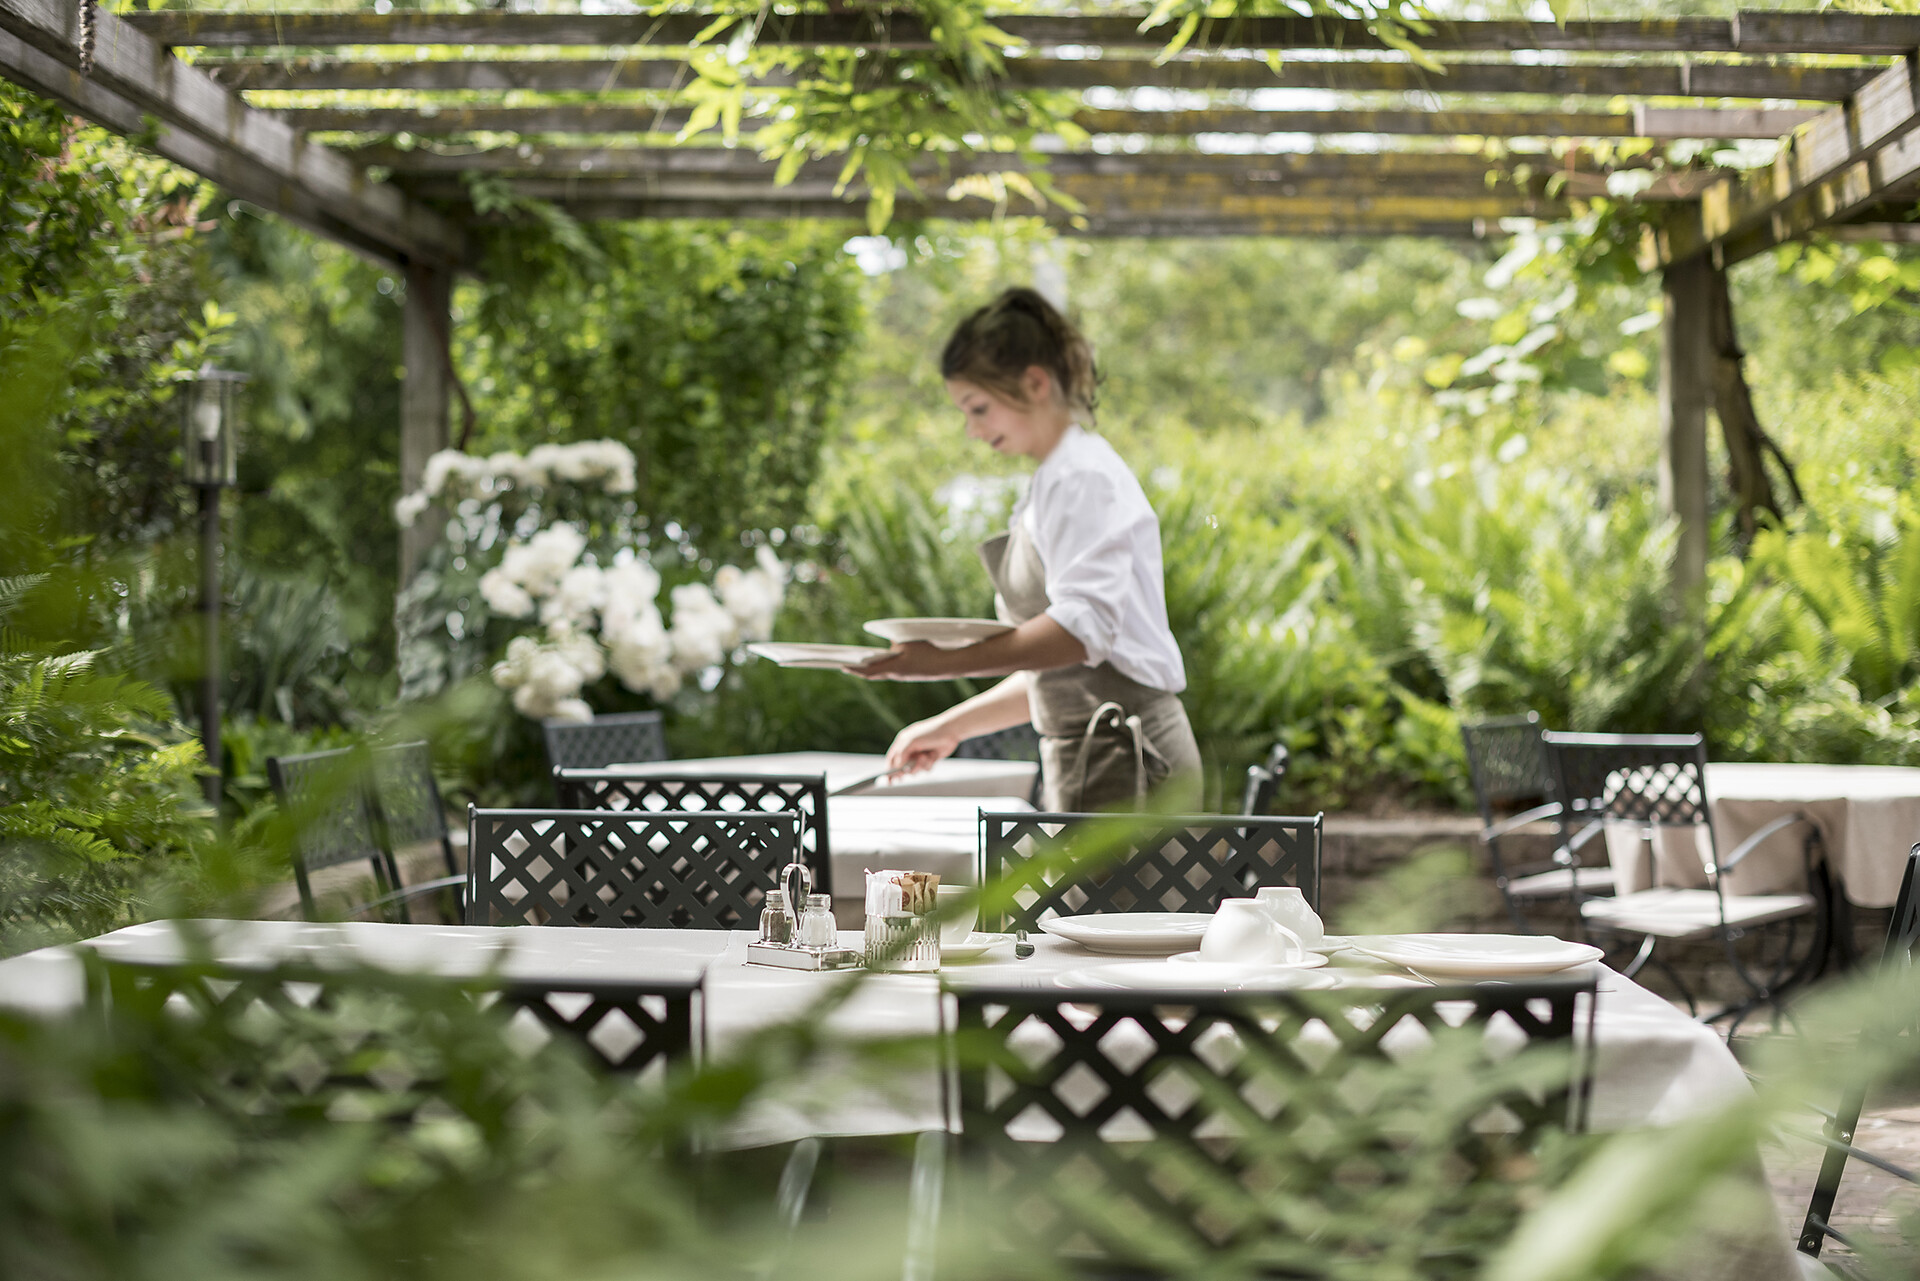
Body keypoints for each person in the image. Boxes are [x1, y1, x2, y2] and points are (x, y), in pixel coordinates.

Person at [851, 286, 1202, 813]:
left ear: (1034, 383)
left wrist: (938, 664)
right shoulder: (1053, 482)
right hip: (1095, 758)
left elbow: (1078, 634)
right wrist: (951, 727)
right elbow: (1068, 673)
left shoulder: (1082, 477)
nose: (971, 430)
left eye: (978, 408)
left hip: (1132, 768)